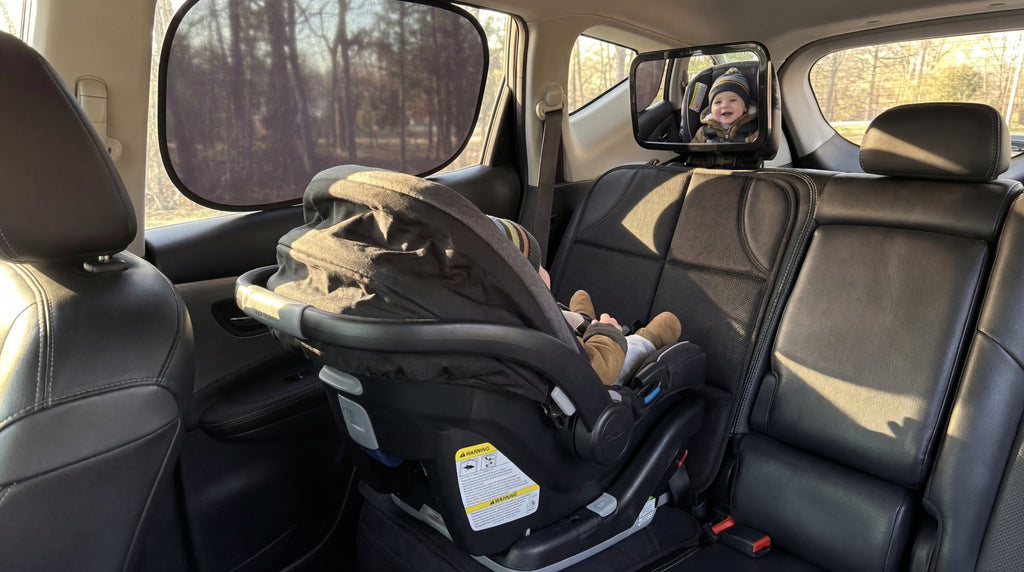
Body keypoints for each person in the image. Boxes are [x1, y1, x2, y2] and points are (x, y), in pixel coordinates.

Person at [488, 216, 681, 386]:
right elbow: (593, 371)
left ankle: (584, 319)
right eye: (538, 267)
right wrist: (608, 334)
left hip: (575, 342)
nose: (544, 271)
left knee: (570, 311)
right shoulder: (542, 339)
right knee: (633, 346)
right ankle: (650, 338)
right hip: (605, 370)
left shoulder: (495, 323)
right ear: (529, 286)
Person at [691, 67, 759, 143]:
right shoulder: (703, 133)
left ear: (746, 107)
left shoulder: (754, 131)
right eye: (718, 102)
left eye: (732, 100)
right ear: (711, 110)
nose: (725, 105)